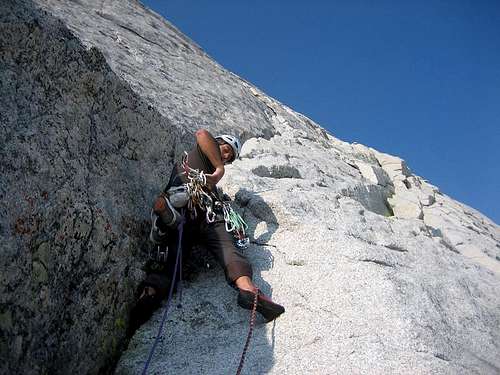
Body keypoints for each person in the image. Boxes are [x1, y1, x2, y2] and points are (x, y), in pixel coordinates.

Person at [129, 129, 284, 333]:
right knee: (177, 256)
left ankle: (248, 291)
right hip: (194, 207)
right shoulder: (199, 157)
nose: (227, 156)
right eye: (226, 149)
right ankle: (150, 294)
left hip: (201, 214)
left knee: (226, 249)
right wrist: (220, 168)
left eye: (229, 157)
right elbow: (202, 134)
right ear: (216, 143)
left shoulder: (209, 178)